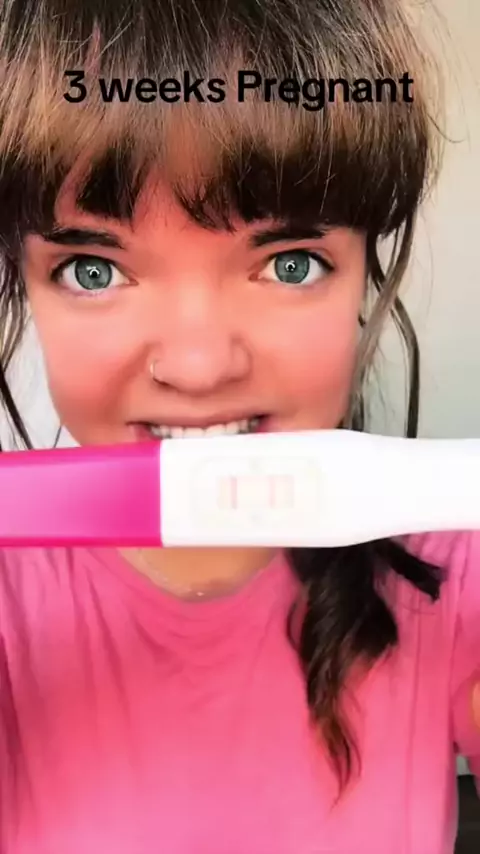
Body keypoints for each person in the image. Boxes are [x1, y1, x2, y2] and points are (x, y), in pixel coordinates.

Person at [0, 0, 477, 851]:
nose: (197, 366)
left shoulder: (455, 576)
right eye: (92, 269)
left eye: (290, 264)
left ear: (365, 273)